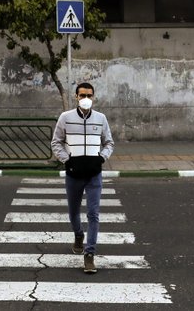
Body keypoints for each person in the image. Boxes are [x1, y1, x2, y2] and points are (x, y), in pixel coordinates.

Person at [50, 82, 115, 275]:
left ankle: (89, 254)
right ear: (76, 97)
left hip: (94, 174)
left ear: (93, 97)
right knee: (73, 212)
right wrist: (66, 160)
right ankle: (78, 235)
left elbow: (109, 142)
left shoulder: (101, 118)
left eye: (89, 95)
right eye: (82, 95)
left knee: (93, 214)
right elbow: (56, 142)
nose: (86, 99)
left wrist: (101, 158)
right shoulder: (66, 118)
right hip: (74, 174)